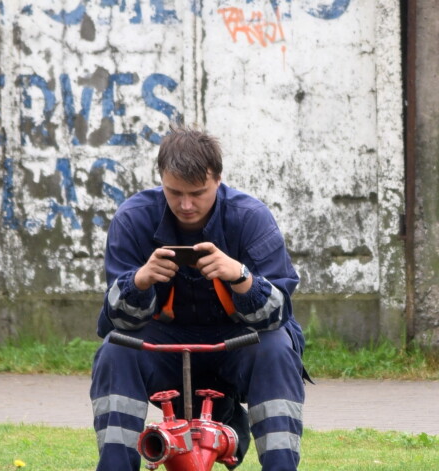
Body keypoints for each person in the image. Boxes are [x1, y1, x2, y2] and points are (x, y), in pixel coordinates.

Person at [90, 124, 307, 471]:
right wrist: (139, 282)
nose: (186, 204)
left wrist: (240, 277)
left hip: (240, 340)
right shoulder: (132, 218)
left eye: (198, 193)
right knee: (116, 351)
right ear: (161, 178)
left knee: (278, 348)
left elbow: (278, 314)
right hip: (163, 344)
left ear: (218, 180)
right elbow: (116, 321)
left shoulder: (251, 218)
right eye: (174, 192)